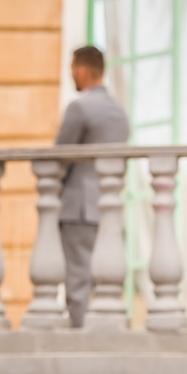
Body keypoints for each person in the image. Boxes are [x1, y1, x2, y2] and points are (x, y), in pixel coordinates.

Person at [55, 46, 129, 328]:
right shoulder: (120, 114)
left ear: (82, 70)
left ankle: (80, 340)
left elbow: (59, 159)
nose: (72, 74)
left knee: (77, 281)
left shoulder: (79, 108)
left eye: (73, 69)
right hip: (109, 207)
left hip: (79, 208)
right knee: (107, 283)